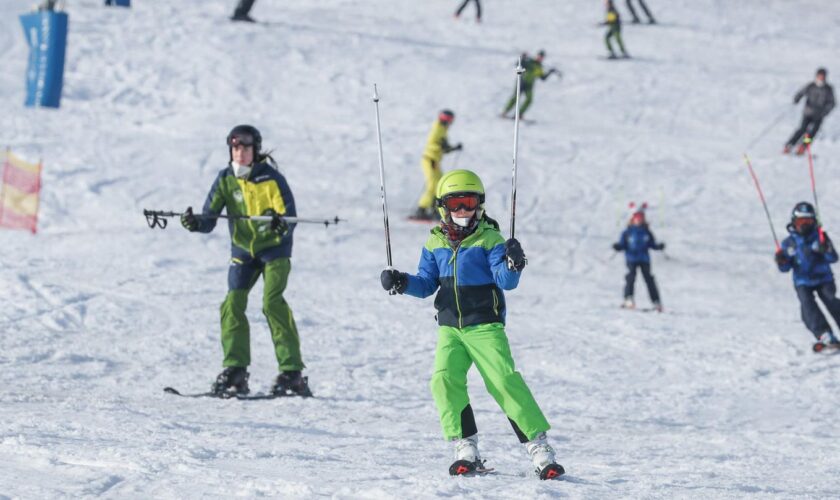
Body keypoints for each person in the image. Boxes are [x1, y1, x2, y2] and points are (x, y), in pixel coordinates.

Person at [381, 169, 565, 480]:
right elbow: (426, 284)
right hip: (450, 327)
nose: (464, 210)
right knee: (443, 380)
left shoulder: (490, 239)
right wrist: (401, 282)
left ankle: (539, 448)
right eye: (456, 204)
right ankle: (465, 447)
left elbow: (505, 282)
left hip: (484, 326)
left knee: (504, 381)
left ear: (479, 204)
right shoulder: (434, 241)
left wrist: (514, 264)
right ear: (444, 207)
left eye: (469, 202)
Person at [180, 125, 312, 397]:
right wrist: (194, 222)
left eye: (246, 148)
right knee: (232, 304)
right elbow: (209, 218)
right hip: (243, 251)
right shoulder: (226, 179)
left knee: (271, 302)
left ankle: (292, 372)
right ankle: (236, 369)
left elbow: (289, 217)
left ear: (256, 150)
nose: (240, 154)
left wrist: (280, 226)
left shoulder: (271, 179)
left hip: (275, 251)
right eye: (236, 148)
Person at [775, 202, 840, 351]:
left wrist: (826, 249)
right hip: (802, 281)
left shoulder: (820, 237)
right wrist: (781, 260)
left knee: (830, 299)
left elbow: (833, 258)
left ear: (814, 221)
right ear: (793, 222)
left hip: (824, 279)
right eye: (800, 221)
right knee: (807, 305)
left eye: (808, 221)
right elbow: (785, 268)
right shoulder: (789, 243)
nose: (804, 225)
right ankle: (824, 334)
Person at [410, 110, 463, 222]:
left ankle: (434, 208)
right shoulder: (437, 129)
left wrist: (453, 148)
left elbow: (444, 147)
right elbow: (433, 143)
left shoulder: (442, 130)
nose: (451, 123)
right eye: (450, 120)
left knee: (440, 184)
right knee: (432, 185)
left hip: (435, 161)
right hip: (430, 160)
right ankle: (422, 208)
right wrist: (442, 146)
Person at [612, 205, 664, 311]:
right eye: (637, 217)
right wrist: (618, 247)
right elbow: (623, 244)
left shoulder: (646, 232)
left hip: (644, 259)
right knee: (631, 277)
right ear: (633, 219)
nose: (639, 220)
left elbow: (652, 244)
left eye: (641, 217)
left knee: (649, 279)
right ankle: (628, 298)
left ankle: (656, 301)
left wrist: (658, 246)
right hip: (631, 258)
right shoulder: (627, 232)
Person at [784, 68, 835, 155]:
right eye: (819, 76)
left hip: (819, 115)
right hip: (808, 112)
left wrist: (825, 112)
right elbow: (801, 93)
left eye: (822, 76)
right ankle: (790, 145)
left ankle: (803, 146)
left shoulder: (828, 89)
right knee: (802, 129)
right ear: (816, 76)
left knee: (812, 132)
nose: (821, 78)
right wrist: (797, 98)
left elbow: (832, 103)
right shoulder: (811, 86)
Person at [501, 50, 559, 120]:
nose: (540, 58)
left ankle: (519, 114)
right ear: (537, 55)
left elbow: (543, 78)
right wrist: (522, 57)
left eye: (542, 57)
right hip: (522, 81)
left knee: (529, 100)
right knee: (516, 97)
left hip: (529, 85)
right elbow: (518, 64)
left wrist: (550, 72)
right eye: (539, 56)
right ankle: (505, 112)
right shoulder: (529, 62)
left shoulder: (539, 67)